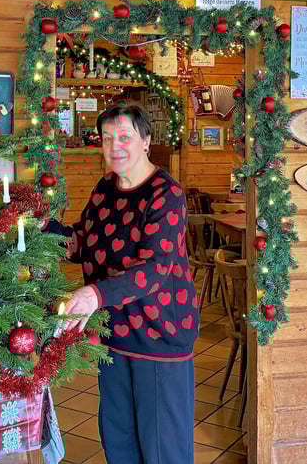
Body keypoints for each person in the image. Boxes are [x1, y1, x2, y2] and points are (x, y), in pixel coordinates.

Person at [61, 104, 196, 463]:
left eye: (124, 137)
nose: (115, 146)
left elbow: (155, 267)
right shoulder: (106, 187)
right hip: (114, 331)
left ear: (146, 141)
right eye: (107, 139)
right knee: (118, 436)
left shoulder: (166, 193)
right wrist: (40, 231)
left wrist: (95, 293)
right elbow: (83, 241)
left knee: (162, 445)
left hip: (158, 331)